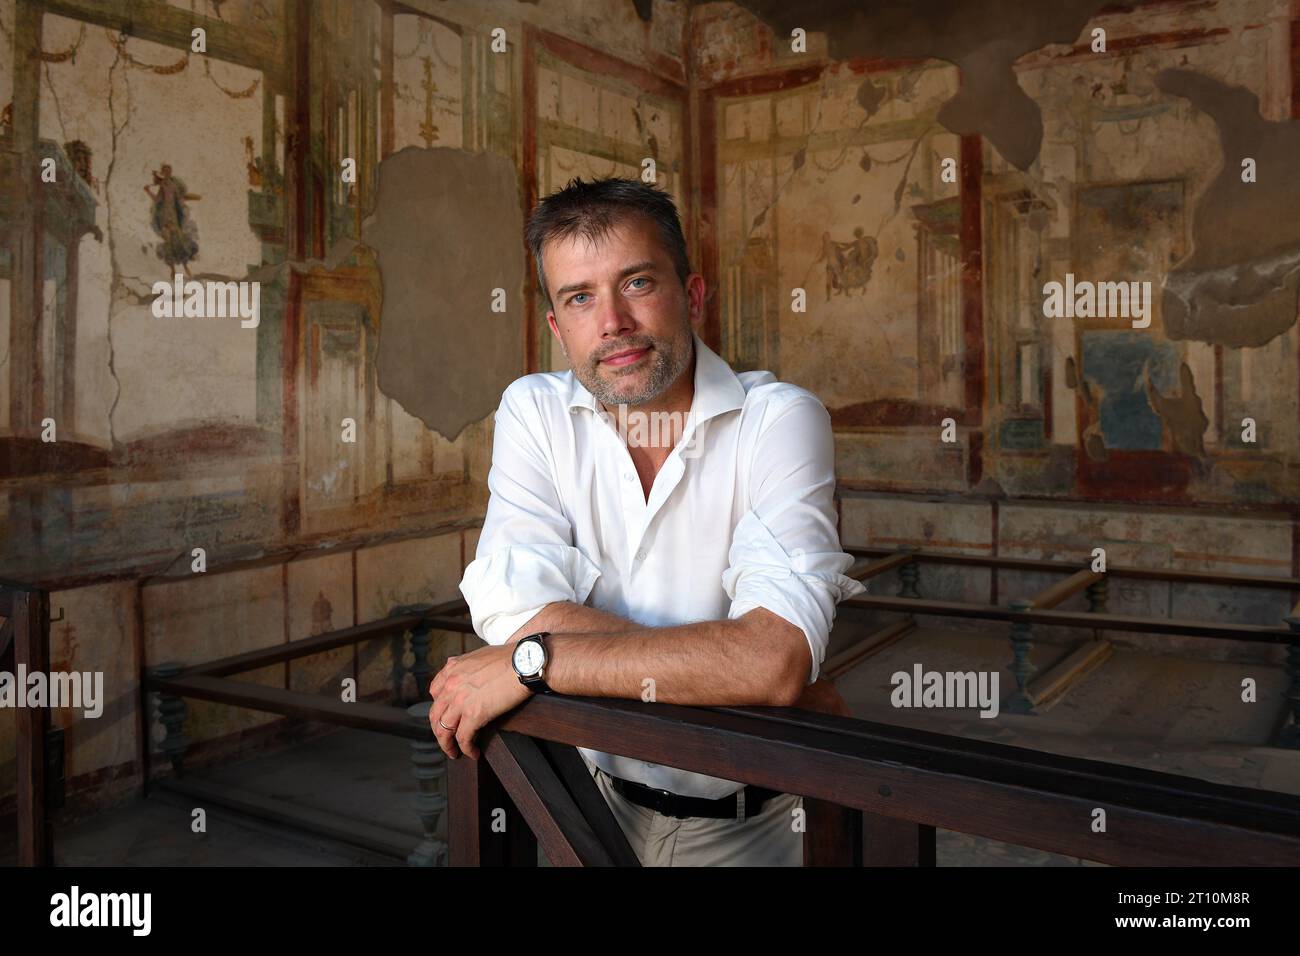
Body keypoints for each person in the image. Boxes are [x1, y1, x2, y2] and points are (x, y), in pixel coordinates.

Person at [430, 177, 864, 866]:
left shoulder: (779, 420)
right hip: (590, 811)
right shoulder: (534, 414)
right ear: (557, 325)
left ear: (691, 295)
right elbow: (508, 606)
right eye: (579, 297)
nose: (612, 324)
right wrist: (737, 670)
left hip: (759, 827)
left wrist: (535, 659)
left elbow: (772, 659)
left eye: (635, 283)